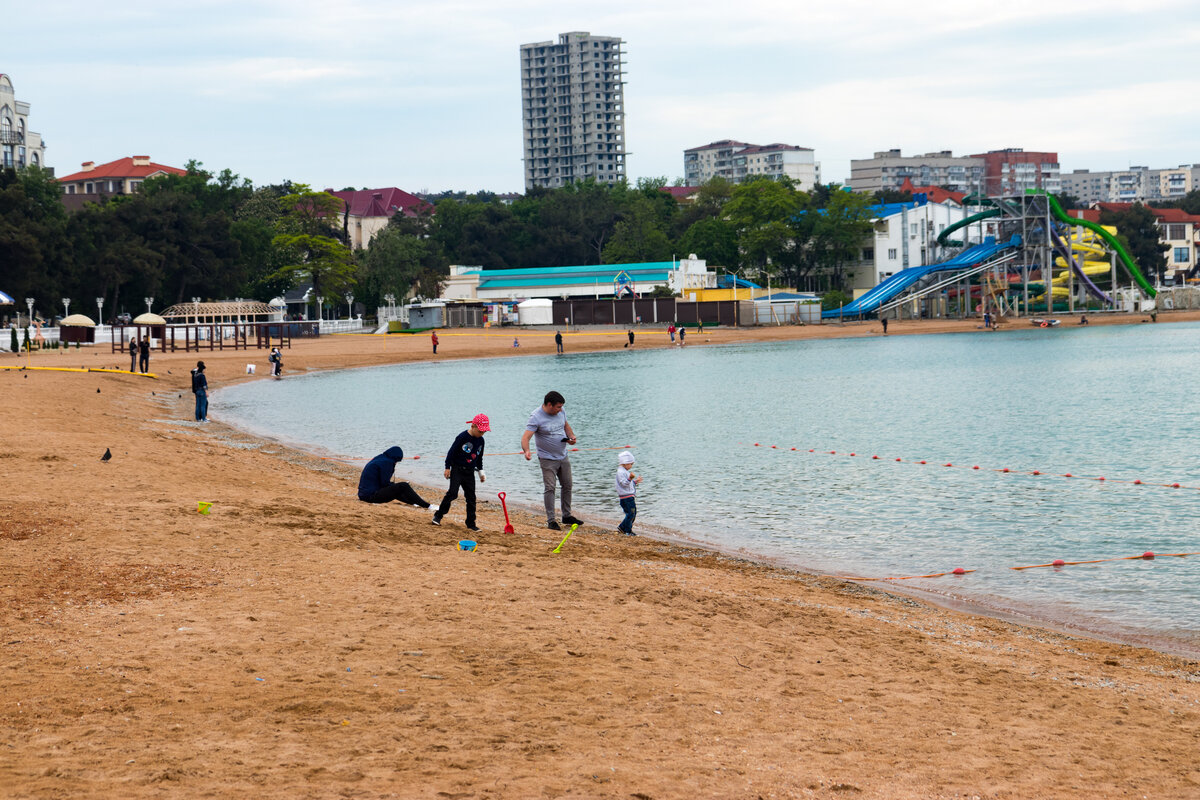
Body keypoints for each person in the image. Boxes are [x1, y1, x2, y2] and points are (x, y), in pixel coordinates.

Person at [521, 390, 583, 530]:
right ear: (549, 405)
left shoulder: (561, 412)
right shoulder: (536, 417)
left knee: (567, 485)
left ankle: (567, 516)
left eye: (561, 407)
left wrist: (572, 437)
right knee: (550, 488)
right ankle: (551, 520)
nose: (560, 410)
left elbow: (566, 425)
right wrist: (527, 451)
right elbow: (526, 437)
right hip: (547, 459)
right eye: (558, 407)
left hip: (563, 455)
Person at [432, 414, 489, 530]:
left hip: (469, 472)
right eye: (480, 431)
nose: (482, 434)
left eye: (484, 432)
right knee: (452, 493)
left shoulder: (481, 441)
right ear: (473, 426)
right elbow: (451, 452)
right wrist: (447, 467)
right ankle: (438, 516)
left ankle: (471, 524)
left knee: (471, 498)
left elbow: (479, 458)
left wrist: (481, 473)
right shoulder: (462, 437)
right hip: (457, 469)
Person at [357, 446, 432, 508]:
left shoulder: (380, 458)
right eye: (396, 461)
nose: (396, 463)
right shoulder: (387, 463)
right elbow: (385, 483)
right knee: (403, 485)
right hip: (370, 496)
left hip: (363, 495)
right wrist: (394, 484)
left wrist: (394, 486)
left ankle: (414, 502)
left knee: (397, 488)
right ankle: (427, 505)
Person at [615, 450, 642, 536]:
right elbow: (624, 484)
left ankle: (623, 528)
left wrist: (635, 482)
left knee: (632, 514)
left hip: (628, 497)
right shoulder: (621, 472)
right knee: (631, 514)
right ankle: (626, 530)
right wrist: (630, 478)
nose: (631, 466)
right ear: (625, 463)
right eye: (631, 464)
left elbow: (628, 484)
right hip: (626, 498)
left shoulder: (624, 471)